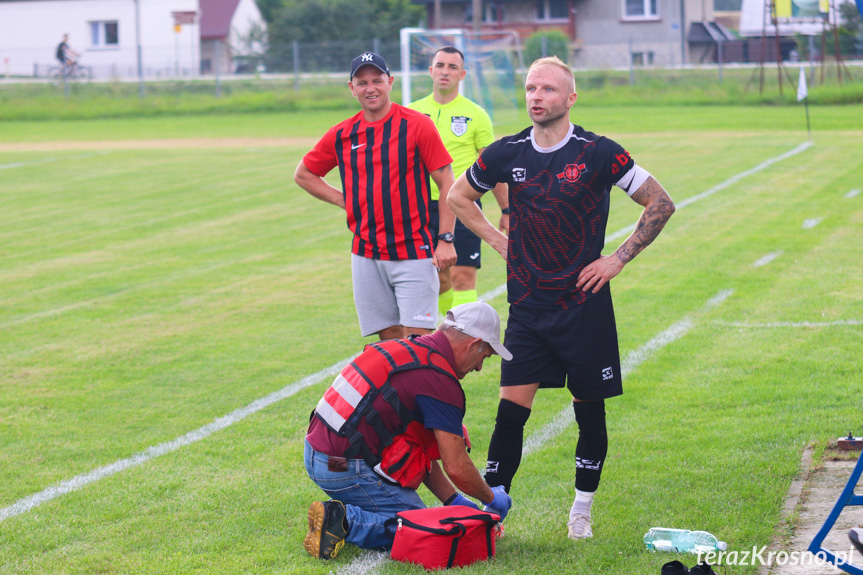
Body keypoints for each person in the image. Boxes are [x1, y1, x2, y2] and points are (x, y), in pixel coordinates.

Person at [448, 56, 676, 540]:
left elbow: (660, 202)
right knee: (510, 416)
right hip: (528, 309)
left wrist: (617, 258)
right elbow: (458, 197)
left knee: (589, 413)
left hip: (583, 308)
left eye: (548, 89)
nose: (536, 97)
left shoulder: (597, 152)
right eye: (531, 88)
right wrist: (494, 238)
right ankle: (492, 516)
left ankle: (581, 512)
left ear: (570, 98)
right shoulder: (505, 153)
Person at [303, 301, 514, 560]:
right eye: (484, 356)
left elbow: (415, 451)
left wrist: (453, 502)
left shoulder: (407, 346)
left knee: (422, 515)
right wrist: (492, 498)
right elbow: (456, 466)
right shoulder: (439, 381)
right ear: (472, 344)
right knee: (422, 529)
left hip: (318, 453)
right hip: (339, 465)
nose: (480, 367)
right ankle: (344, 520)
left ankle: (348, 512)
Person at [294, 52, 458, 341]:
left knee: (419, 341)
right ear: (351, 87)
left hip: (413, 252)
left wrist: (445, 239)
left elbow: (447, 181)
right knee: (389, 341)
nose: (370, 88)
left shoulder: (417, 125)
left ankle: (426, 387)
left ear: (390, 82)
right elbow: (304, 174)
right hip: (366, 254)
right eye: (362, 82)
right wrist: (344, 200)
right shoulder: (343, 133)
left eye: (377, 80)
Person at [408, 46, 509, 312]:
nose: (445, 71)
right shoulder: (411, 113)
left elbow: (492, 167)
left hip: (463, 205)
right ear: (430, 71)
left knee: (462, 276)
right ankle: (446, 331)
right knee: (439, 278)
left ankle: (464, 340)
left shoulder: (476, 115)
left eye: (452, 67)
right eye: (440, 65)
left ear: (462, 74)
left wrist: (507, 209)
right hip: (420, 207)